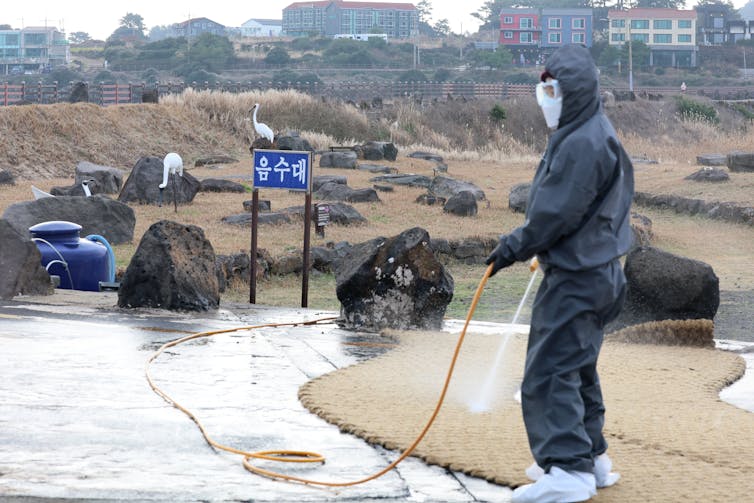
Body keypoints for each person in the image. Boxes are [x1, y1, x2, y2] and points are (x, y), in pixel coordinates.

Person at [485, 44, 634, 503]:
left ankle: (568, 471)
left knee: (549, 372)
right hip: (599, 271)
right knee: (577, 368)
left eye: (551, 89)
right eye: (542, 88)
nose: (544, 96)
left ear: (574, 90)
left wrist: (513, 247)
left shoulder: (583, 142)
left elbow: (554, 214)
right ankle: (591, 458)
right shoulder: (591, 131)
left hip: (578, 278)